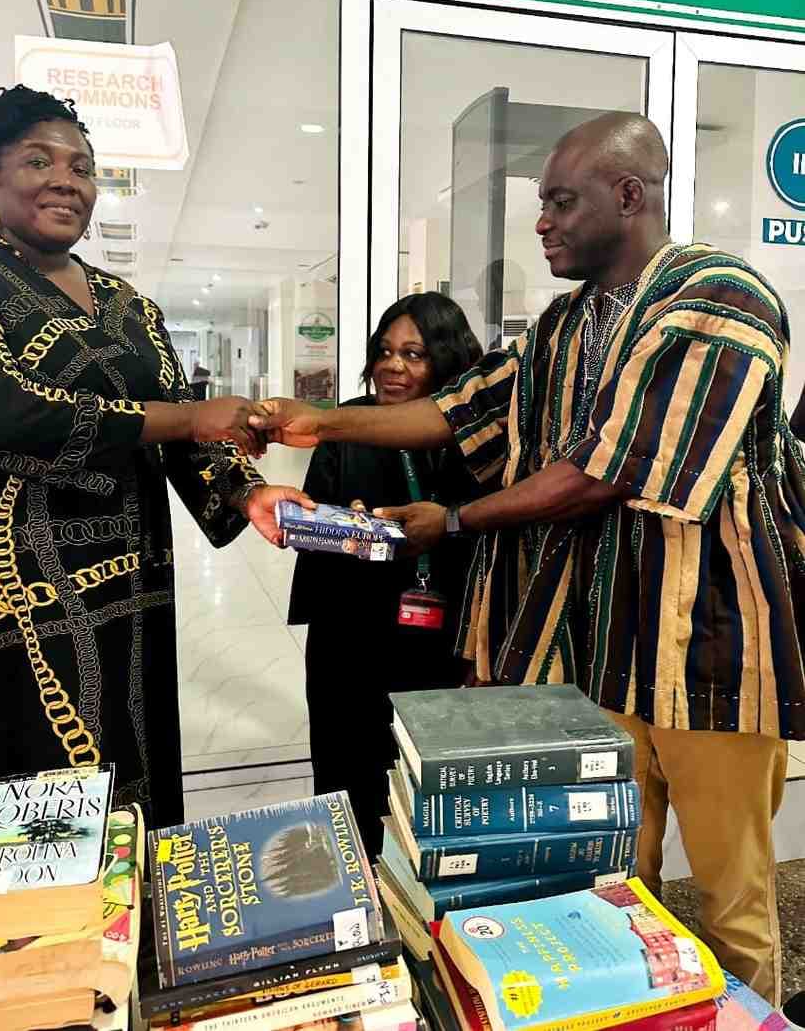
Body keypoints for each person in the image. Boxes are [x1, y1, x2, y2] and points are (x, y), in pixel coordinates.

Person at [254, 113, 805, 1005]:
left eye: (559, 200)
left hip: (707, 652)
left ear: (630, 195)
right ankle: (644, 1014)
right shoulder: (561, 325)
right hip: (597, 657)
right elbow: (455, 408)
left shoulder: (718, 298)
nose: (541, 221)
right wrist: (309, 418)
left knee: (734, 897)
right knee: (611, 884)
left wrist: (456, 519)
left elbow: (605, 472)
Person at [0, 85, 311, 828]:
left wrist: (251, 494)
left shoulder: (131, 306)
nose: (66, 178)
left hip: (125, 594)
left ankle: (126, 942)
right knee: (6, 810)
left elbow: (189, 437)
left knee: (121, 782)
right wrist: (183, 414)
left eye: (82, 167)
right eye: (38, 160)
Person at [288, 293, 482, 855]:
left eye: (415, 354)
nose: (393, 366)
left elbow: (485, 529)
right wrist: (337, 527)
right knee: (345, 763)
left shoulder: (470, 435)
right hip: (348, 627)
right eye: (386, 351)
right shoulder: (347, 422)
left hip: (436, 631)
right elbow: (312, 521)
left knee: (423, 772)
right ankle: (353, 879)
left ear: (446, 362)